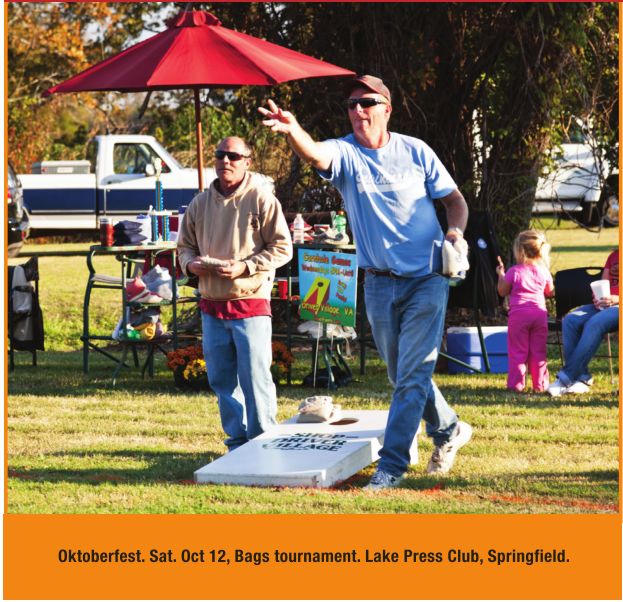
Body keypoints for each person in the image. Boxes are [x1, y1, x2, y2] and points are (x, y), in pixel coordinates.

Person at [259, 74, 472, 490]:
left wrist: (454, 233)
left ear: (386, 109)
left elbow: (455, 201)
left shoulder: (416, 151)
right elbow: (316, 153)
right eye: (352, 105)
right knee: (403, 375)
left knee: (411, 376)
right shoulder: (346, 152)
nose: (358, 110)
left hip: (427, 279)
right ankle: (449, 429)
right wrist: (293, 129)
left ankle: (391, 466)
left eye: (367, 102)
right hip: (378, 283)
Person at [177, 136, 293, 451]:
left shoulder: (262, 199)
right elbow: (184, 246)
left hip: (250, 301)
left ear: (247, 162)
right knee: (221, 380)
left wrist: (246, 266)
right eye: (220, 155)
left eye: (233, 156)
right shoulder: (200, 203)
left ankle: (263, 442)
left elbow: (283, 248)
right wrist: (190, 264)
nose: (225, 161)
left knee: (255, 378)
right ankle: (237, 444)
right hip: (211, 303)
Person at [548, 248, 619, 396]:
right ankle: (581, 379)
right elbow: (604, 283)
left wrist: (616, 299)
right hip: (604, 304)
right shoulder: (614, 255)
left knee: (595, 322)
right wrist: (598, 296)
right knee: (570, 320)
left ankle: (566, 378)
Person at [496, 230, 554, 392]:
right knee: (538, 351)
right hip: (539, 315)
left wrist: (501, 275)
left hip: (519, 317)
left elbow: (502, 291)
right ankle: (540, 385)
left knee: (518, 351)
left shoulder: (514, 271)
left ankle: (516, 385)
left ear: (520, 251)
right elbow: (550, 291)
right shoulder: (544, 271)